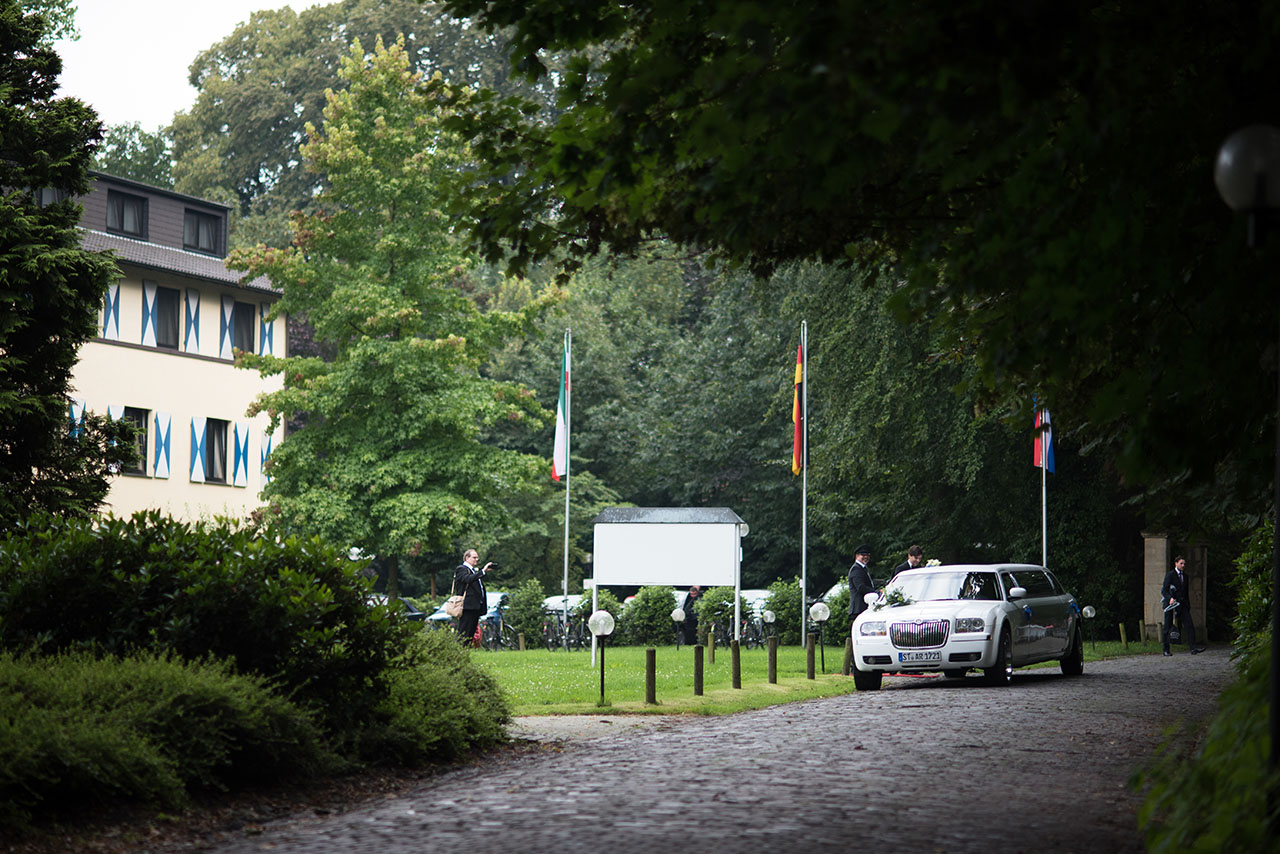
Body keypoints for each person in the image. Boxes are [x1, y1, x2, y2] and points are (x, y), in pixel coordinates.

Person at [1162, 555, 1204, 655]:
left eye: (1184, 564)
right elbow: (1164, 590)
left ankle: (1193, 648)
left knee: (1189, 625)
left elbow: (1185, 592)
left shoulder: (1185, 576)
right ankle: (1166, 650)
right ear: (1176, 563)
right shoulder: (1170, 575)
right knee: (1167, 627)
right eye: (1181, 563)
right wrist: (1170, 598)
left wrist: (1187, 605)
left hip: (1182, 604)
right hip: (1171, 604)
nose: (1183, 565)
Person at [454, 548, 494, 643]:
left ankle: (465, 652)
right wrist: (482, 571)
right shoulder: (461, 569)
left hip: (475, 606)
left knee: (471, 633)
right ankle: (458, 652)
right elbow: (467, 579)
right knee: (464, 632)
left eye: (477, 558)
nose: (476, 559)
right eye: (474, 557)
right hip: (467, 606)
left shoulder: (473, 571)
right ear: (467, 558)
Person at [847, 544, 875, 619]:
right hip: (859, 609)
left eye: (868, 555)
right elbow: (861, 588)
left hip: (864, 607)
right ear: (857, 556)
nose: (866, 557)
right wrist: (877, 592)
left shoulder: (863, 568)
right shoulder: (856, 569)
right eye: (863, 555)